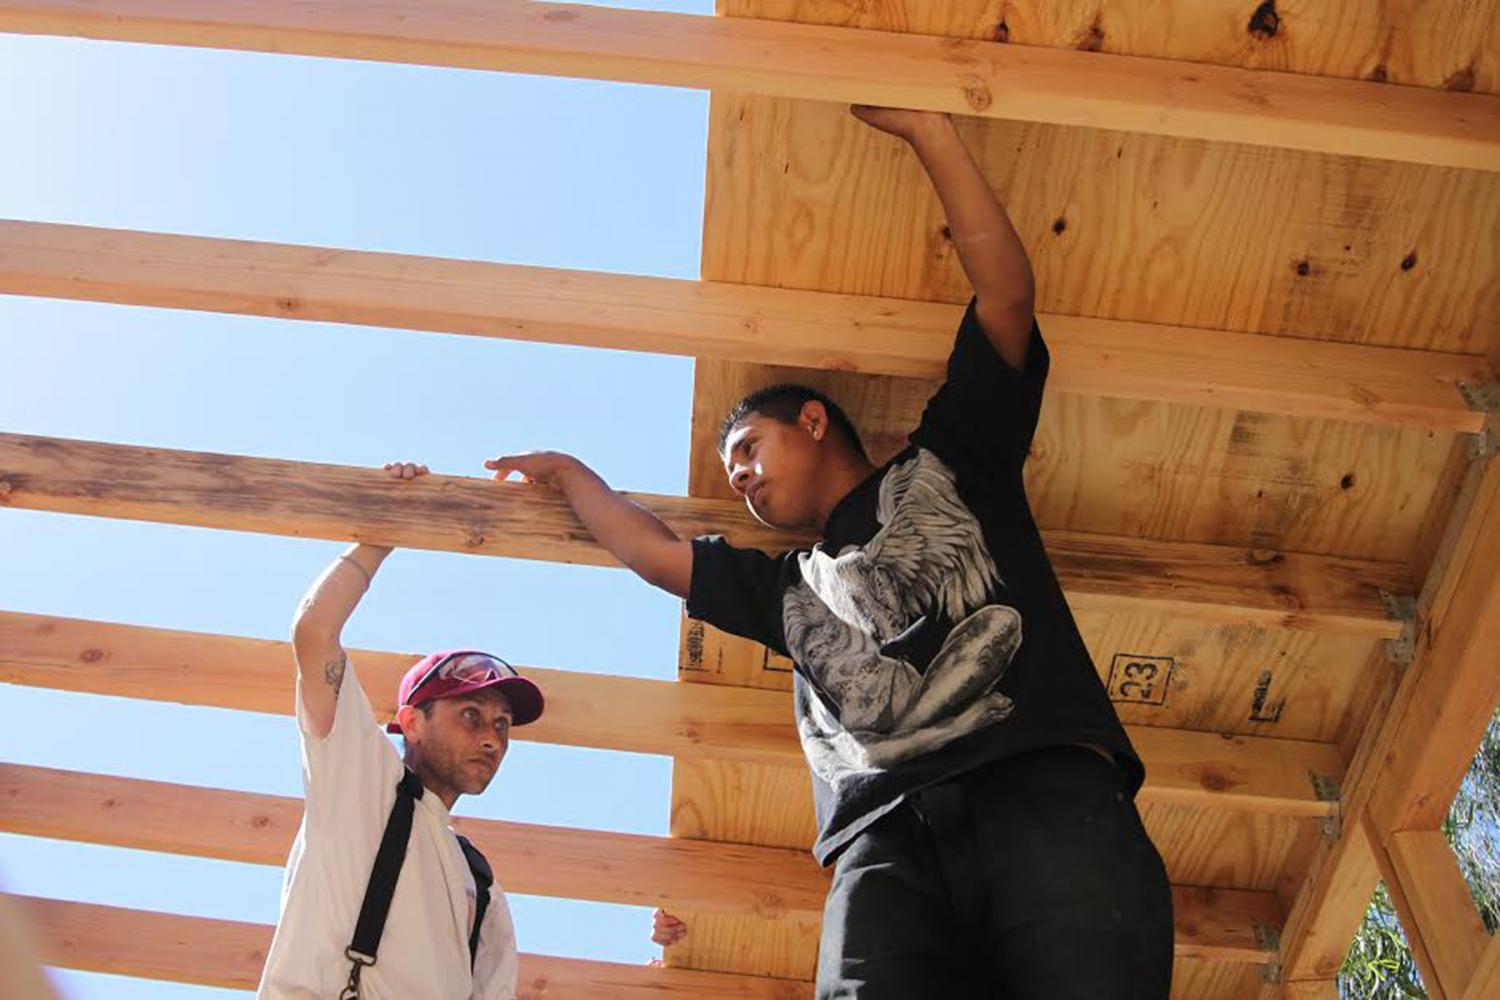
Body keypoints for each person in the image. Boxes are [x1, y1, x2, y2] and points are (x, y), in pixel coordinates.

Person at [488, 106, 1173, 998]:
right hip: (882, 845)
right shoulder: (785, 589)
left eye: (749, 450)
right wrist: (572, 472)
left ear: (814, 421)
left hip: (1039, 792)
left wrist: (931, 133)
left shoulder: (954, 460)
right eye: (730, 470)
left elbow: (1004, 300)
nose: (739, 477)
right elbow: (656, 555)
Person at [258, 461, 544, 1000]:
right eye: (471, 715)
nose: (492, 738)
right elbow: (314, 632)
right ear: (410, 721)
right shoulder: (361, 783)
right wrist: (381, 532)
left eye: (503, 725)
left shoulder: (479, 885)